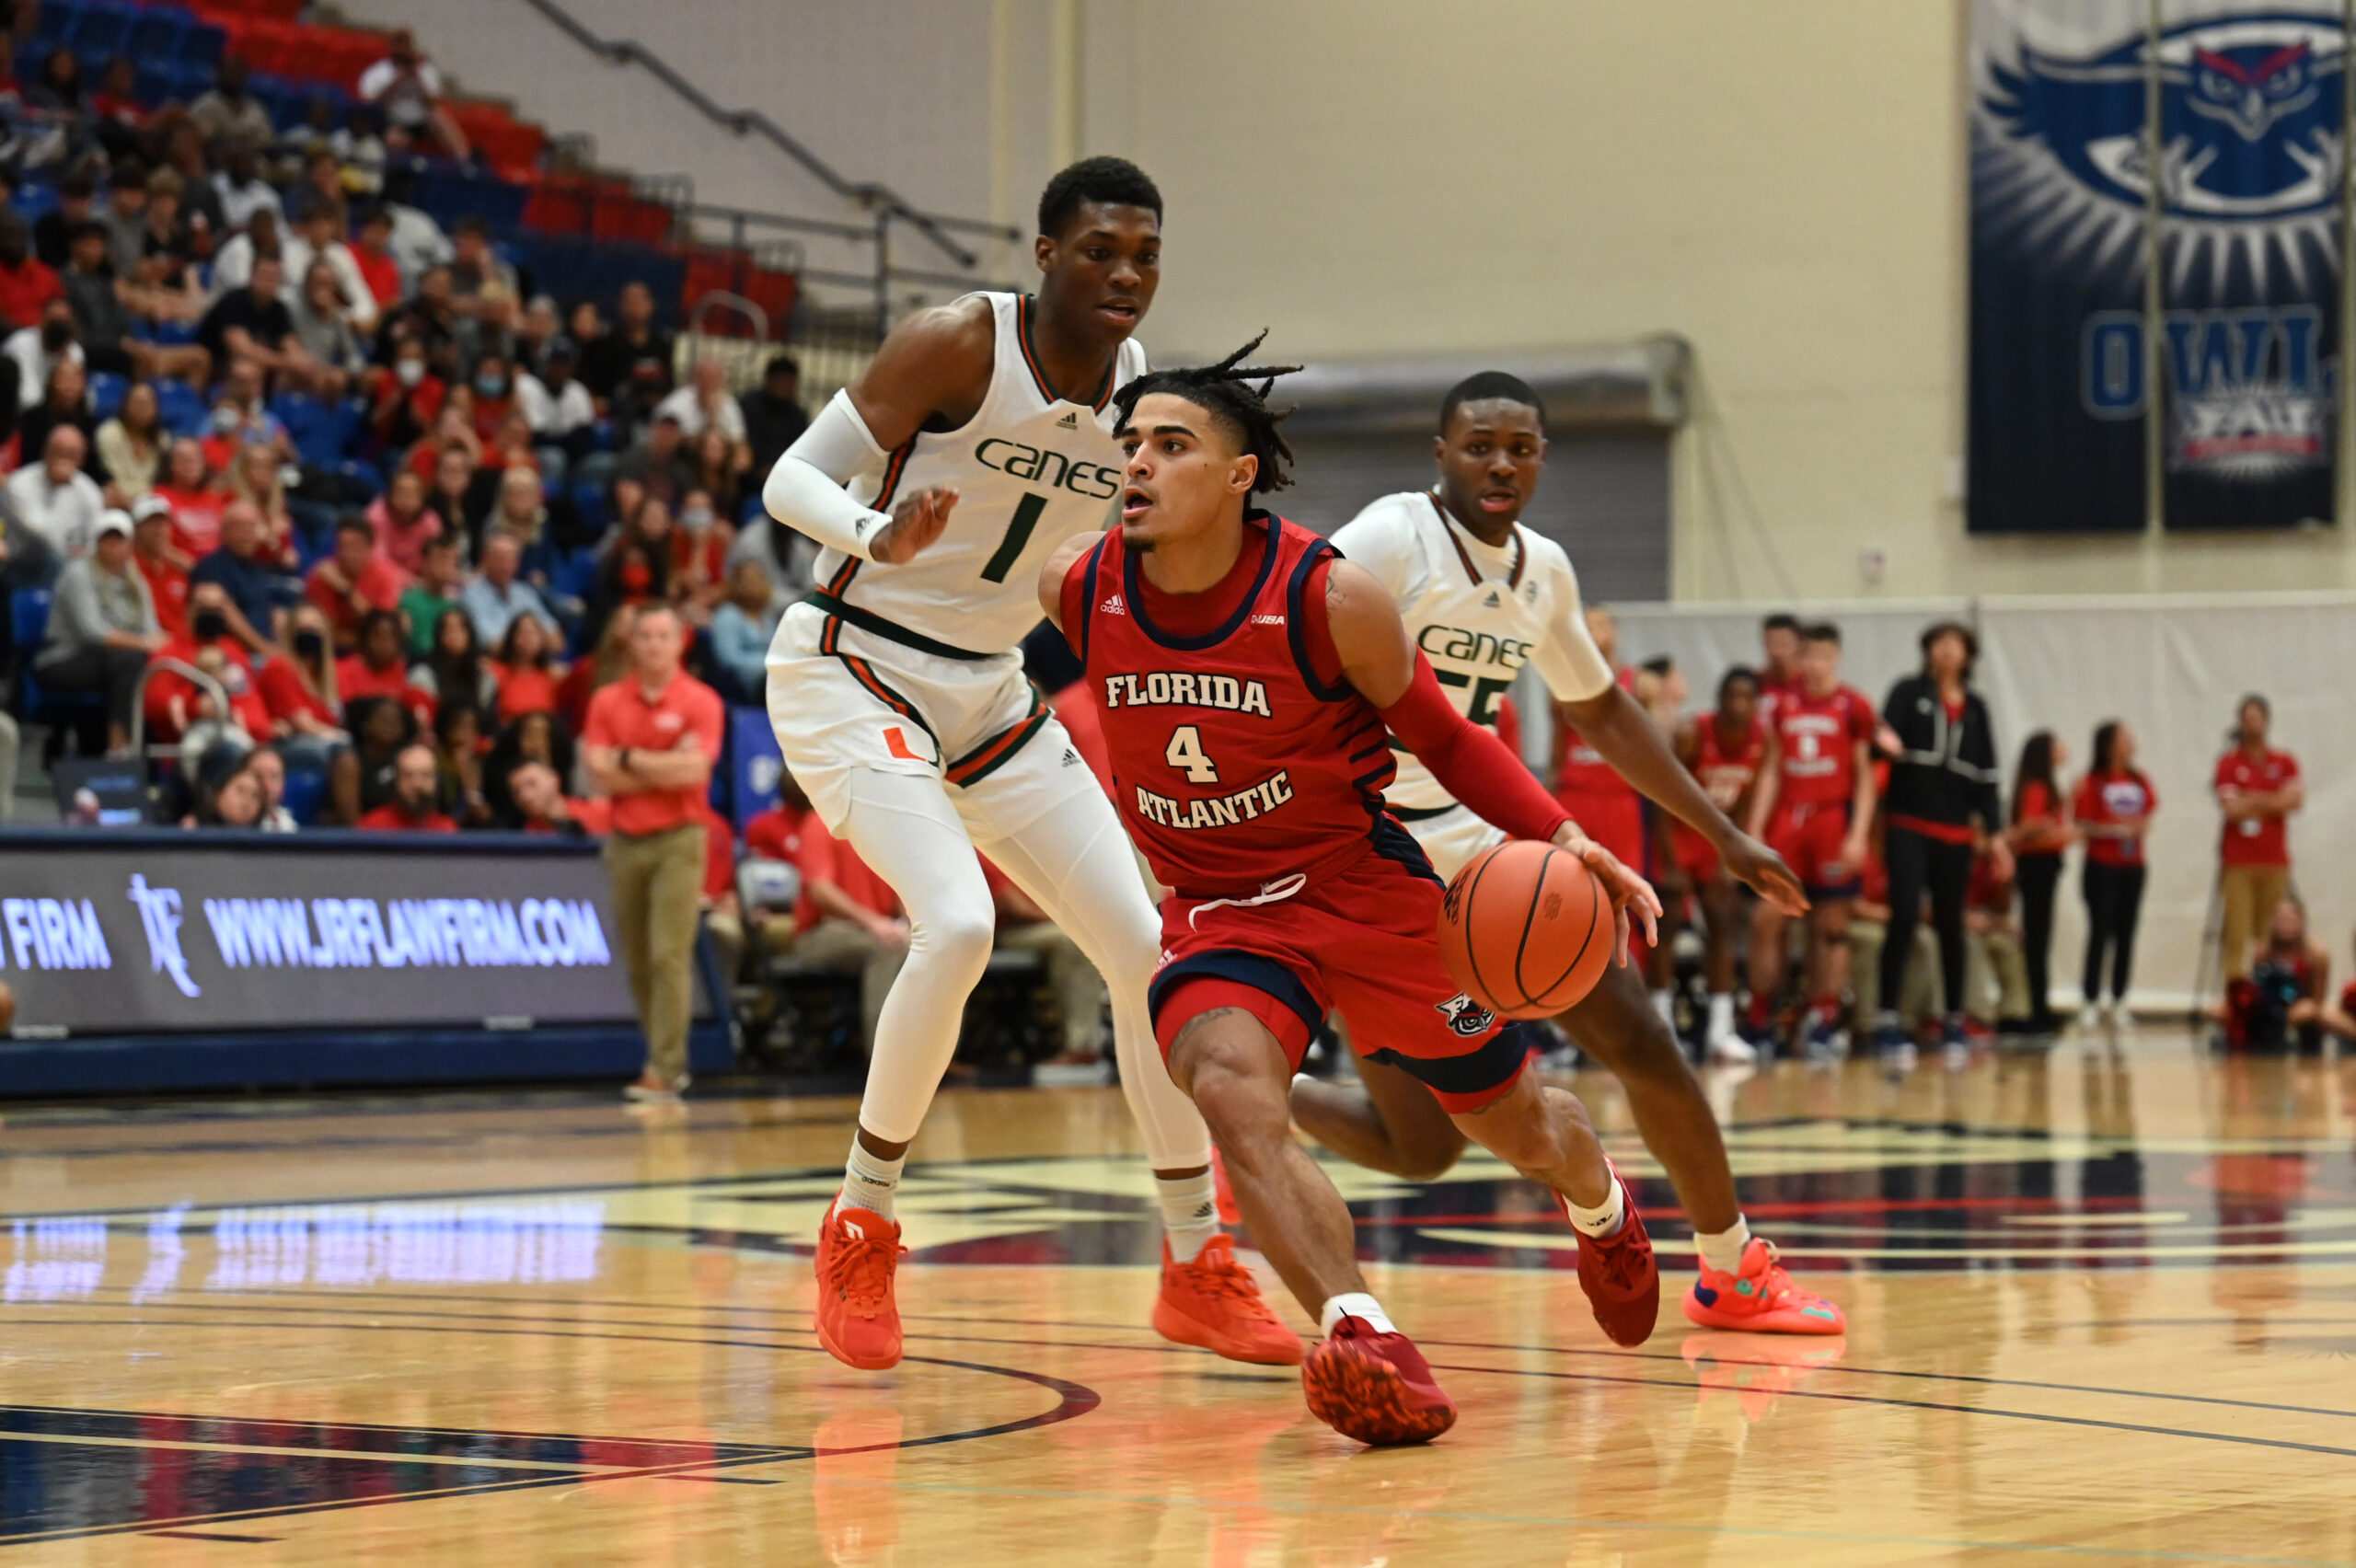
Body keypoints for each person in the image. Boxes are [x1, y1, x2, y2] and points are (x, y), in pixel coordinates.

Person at [1037, 346, 1662, 1447]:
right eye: (1128, 445)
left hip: (1363, 892)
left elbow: (1449, 740)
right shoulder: (1079, 586)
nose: (1135, 464)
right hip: (1219, 912)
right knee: (1227, 1089)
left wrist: (1563, 836)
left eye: (1169, 445)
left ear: (1237, 476)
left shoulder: (1327, 596)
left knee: (1517, 1124)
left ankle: (1602, 1203)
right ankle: (1363, 1332)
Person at [761, 158, 1291, 1373]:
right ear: (1046, 254)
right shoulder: (958, 344)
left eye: (1145, 256)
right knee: (952, 927)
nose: (1126, 274)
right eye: (1101, 249)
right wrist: (872, 529)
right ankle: (861, 1221)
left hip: (995, 694)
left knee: (1150, 951)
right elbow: (790, 477)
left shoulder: (1150, 404)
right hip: (854, 662)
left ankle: (1193, 1260)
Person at [1299, 373, 1837, 1336]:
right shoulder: (1385, 539)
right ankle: (1257, 1104)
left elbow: (1598, 709)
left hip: (1489, 851)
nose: (1499, 462)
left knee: (1644, 1039)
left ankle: (1732, 1269)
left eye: (1518, 446)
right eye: (1477, 445)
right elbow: (1286, 649)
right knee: (1419, 1148)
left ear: (1542, 457)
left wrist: (1721, 835)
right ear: (1441, 455)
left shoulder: (1542, 568)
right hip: (1376, 862)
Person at [580, 605, 723, 1101]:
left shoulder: (701, 701)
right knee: (638, 959)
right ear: (633, 643)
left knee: (668, 954)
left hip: (680, 840)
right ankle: (660, 1058)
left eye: (664, 636)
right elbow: (598, 774)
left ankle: (666, 1068)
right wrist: (664, 760)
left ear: (680, 641)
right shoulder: (606, 701)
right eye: (646, 636)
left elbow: (695, 773)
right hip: (624, 841)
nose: (655, 645)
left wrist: (628, 758)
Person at [1873, 621, 2009, 1067]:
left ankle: (1954, 1016)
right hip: (1908, 822)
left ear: (1968, 655)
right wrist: (1883, 741)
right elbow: (1880, 738)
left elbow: (1987, 780)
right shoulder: (1908, 692)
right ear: (1928, 650)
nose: (1948, 652)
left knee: (1952, 922)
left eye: (1956, 645)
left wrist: (1997, 837)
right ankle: (1888, 1016)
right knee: (1906, 914)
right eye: (1940, 644)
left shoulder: (1976, 708)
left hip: (1955, 831)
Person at [1745, 622, 1878, 1060]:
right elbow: (1770, 767)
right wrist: (1757, 828)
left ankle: (1823, 1017)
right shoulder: (1783, 705)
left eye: (1824, 655)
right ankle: (1762, 1016)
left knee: (1831, 926)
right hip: (1789, 818)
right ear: (1800, 659)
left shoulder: (1853, 704)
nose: (1816, 664)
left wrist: (1858, 834)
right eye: (1809, 656)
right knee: (1769, 917)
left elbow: (1864, 776)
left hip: (1831, 819)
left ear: (1836, 656)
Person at [1673, 666, 1769, 1061]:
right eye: (1732, 696)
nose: (1738, 705)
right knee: (1661, 932)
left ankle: (1719, 1031)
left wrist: (1732, 852)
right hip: (1681, 834)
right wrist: (1667, 857)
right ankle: (1666, 1029)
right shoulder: (1694, 733)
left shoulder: (1762, 740)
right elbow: (1666, 795)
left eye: (1747, 698)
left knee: (1722, 929)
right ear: (1719, 698)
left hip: (1717, 841)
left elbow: (1746, 801)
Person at [37, 509, 162, 754]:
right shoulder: (78, 573)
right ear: (97, 542)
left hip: (113, 661)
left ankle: (156, 750)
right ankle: (119, 745)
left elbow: (151, 629)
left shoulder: (135, 579)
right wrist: (144, 643)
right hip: (63, 659)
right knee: (129, 660)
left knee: (149, 663)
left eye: (120, 539)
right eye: (107, 538)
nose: (113, 545)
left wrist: (157, 644)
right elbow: (92, 631)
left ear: (130, 543)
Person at [982, 857, 1108, 1068]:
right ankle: (1080, 1046)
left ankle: (1089, 1042)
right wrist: (1070, 920)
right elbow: (1019, 909)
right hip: (1009, 931)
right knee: (1070, 941)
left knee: (1081, 937)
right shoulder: (987, 853)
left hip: (1037, 924)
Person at [2213, 695, 2300, 986]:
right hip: (2238, 861)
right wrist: (2271, 801)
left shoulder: (2284, 762)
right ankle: (2236, 1001)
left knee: (2272, 937)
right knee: (2237, 935)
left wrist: (2251, 798)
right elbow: (2232, 809)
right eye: (2246, 719)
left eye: (2256, 718)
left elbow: (2293, 801)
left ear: (2267, 721)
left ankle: (2269, 996)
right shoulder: (2228, 764)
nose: (2251, 724)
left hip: (2274, 860)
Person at [2073, 720, 2155, 1027]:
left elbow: (2148, 816)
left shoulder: (2139, 779)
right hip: (2101, 865)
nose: (2131, 741)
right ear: (2109, 744)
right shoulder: (2092, 781)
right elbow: (2082, 823)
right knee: (2100, 931)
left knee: (2126, 932)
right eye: (2124, 737)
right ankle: (2090, 999)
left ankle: (2119, 999)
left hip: (2132, 866)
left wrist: (2136, 828)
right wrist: (2112, 830)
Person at [2006, 731, 2074, 1036]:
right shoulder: (2037, 787)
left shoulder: (2046, 786)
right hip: (2036, 866)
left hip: (2045, 866)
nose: (2063, 749)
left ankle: (2040, 1005)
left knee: (2041, 938)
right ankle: (2035, 1009)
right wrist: (2049, 826)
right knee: (2036, 939)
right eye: (2057, 745)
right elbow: (2027, 826)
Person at [188, 499, 292, 657]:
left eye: (252, 526)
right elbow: (228, 615)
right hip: (228, 654)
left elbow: (268, 610)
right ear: (224, 532)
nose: (248, 534)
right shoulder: (211, 567)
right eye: (240, 527)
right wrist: (266, 650)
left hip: (265, 652)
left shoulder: (257, 567)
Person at [359, 29, 468, 159]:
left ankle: (466, 164)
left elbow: (433, 103)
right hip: (396, 121)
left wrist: (417, 77)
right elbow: (373, 104)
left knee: (440, 119)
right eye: (398, 44)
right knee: (393, 139)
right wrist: (398, 80)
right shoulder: (379, 71)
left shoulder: (425, 71)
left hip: (422, 122)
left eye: (406, 44)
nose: (402, 49)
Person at [6, 423, 105, 560]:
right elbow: (46, 541)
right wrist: (63, 488)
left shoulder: (90, 490)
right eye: (58, 452)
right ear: (45, 452)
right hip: (24, 563)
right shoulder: (19, 483)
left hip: (72, 567)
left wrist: (84, 554)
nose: (63, 460)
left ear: (81, 459)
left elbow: (95, 542)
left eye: (71, 454)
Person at [305, 513, 402, 651]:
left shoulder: (385, 575)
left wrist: (345, 589)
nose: (347, 554)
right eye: (342, 546)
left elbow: (382, 628)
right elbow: (326, 634)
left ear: (370, 548)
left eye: (356, 547)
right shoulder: (320, 577)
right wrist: (367, 640)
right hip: (331, 653)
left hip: (373, 654)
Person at [459, 527, 560, 648]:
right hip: (494, 664)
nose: (505, 566)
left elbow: (556, 641)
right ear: (485, 559)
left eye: (510, 559)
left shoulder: (526, 593)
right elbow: (491, 646)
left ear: (518, 563)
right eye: (500, 559)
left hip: (530, 664)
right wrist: (531, 645)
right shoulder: (470, 596)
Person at [708, 556, 779, 702]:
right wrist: (767, 664)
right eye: (746, 581)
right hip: (743, 682)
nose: (752, 586)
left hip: (773, 676)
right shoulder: (727, 615)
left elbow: (777, 648)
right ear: (735, 584)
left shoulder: (767, 615)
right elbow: (728, 658)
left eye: (757, 580)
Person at [410, 605, 497, 717]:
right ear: (439, 636)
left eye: (460, 629)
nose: (454, 635)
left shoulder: (484, 678)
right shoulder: (423, 675)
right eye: (448, 630)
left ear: (470, 634)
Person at [356, 742, 457, 832]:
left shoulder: (447, 829)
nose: (417, 784)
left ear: (437, 781)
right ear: (396, 782)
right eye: (408, 776)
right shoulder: (372, 827)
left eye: (426, 775)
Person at [366, 467, 445, 583]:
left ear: (422, 497)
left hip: (421, 585)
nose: (406, 499)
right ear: (390, 494)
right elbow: (376, 561)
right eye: (401, 493)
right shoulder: (376, 515)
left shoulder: (431, 522)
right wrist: (410, 581)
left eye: (412, 494)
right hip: (383, 582)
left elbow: (437, 562)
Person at [741, 353, 810, 483]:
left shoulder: (798, 416)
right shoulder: (750, 406)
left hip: (786, 478)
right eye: (782, 381)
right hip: (751, 479)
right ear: (769, 380)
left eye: (791, 382)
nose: (786, 387)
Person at [489, 609, 564, 724]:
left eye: (533, 633)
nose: (528, 638)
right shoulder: (497, 672)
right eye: (522, 633)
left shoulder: (553, 675)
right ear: (512, 637)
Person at [95, 378, 165, 501]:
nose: (142, 408)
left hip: (150, 504)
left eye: (147, 403)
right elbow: (110, 479)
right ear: (125, 404)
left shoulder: (162, 441)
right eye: (137, 402)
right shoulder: (109, 433)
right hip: (117, 500)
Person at [130, 494, 188, 638]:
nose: (158, 530)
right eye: (151, 523)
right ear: (136, 528)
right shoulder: (128, 566)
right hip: (148, 642)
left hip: (186, 643)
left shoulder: (180, 566)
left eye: (163, 523)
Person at [1758, 612, 1804, 702]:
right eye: (1772, 643)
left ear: (1799, 644)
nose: (1777, 651)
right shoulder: (1755, 683)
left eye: (1784, 644)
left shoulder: (1810, 685)